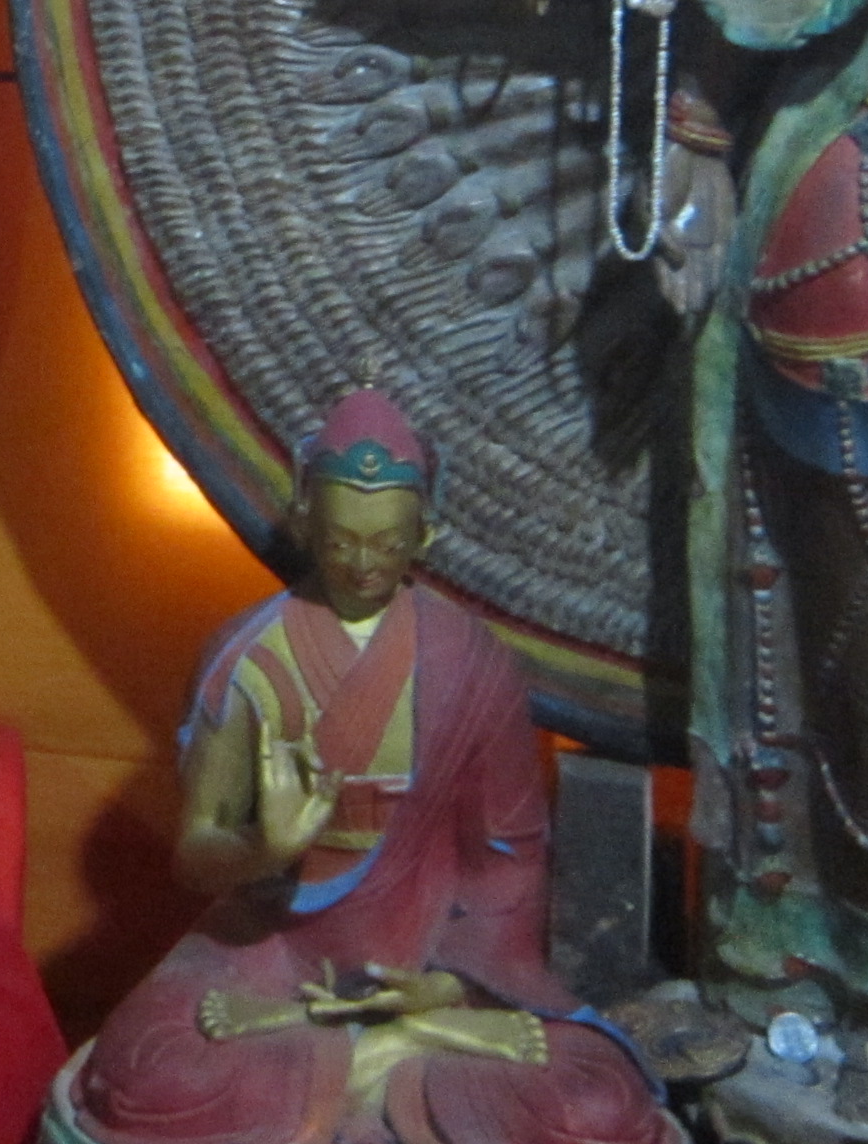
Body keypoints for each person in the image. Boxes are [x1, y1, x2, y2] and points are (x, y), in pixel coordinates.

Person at [50, 391, 672, 1144]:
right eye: (341, 540)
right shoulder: (248, 660)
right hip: (274, 949)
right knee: (146, 1074)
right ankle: (383, 1060)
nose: (363, 563)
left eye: (387, 543)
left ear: (426, 535)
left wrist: (447, 984)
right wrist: (265, 847)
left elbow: (508, 858)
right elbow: (197, 854)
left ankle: (367, 1052)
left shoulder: (471, 663)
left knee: (596, 1100)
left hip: (431, 956)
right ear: (303, 522)